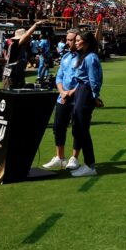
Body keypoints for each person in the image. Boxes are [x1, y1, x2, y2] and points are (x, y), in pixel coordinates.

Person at [43, 29, 82, 171]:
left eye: (71, 40)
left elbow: (84, 80)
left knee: (77, 129)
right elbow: (59, 77)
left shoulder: (83, 57)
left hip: (76, 98)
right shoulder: (65, 57)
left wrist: (70, 93)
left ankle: (74, 158)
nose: (67, 42)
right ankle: (60, 158)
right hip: (63, 97)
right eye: (67, 39)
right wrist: (62, 92)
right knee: (58, 127)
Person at [68, 31, 103, 177]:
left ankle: (90, 165)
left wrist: (95, 97)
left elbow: (93, 79)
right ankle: (87, 163)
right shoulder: (84, 56)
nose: (75, 42)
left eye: (78, 40)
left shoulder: (90, 58)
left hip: (86, 91)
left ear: (86, 42)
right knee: (78, 127)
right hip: (81, 90)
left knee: (82, 128)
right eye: (75, 40)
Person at [2, 20, 44, 89]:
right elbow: (27, 35)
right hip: (10, 74)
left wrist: (33, 61)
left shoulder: (25, 47)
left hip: (19, 74)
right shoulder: (14, 45)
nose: (28, 40)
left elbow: (29, 59)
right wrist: (36, 24)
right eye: (27, 39)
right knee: (10, 94)